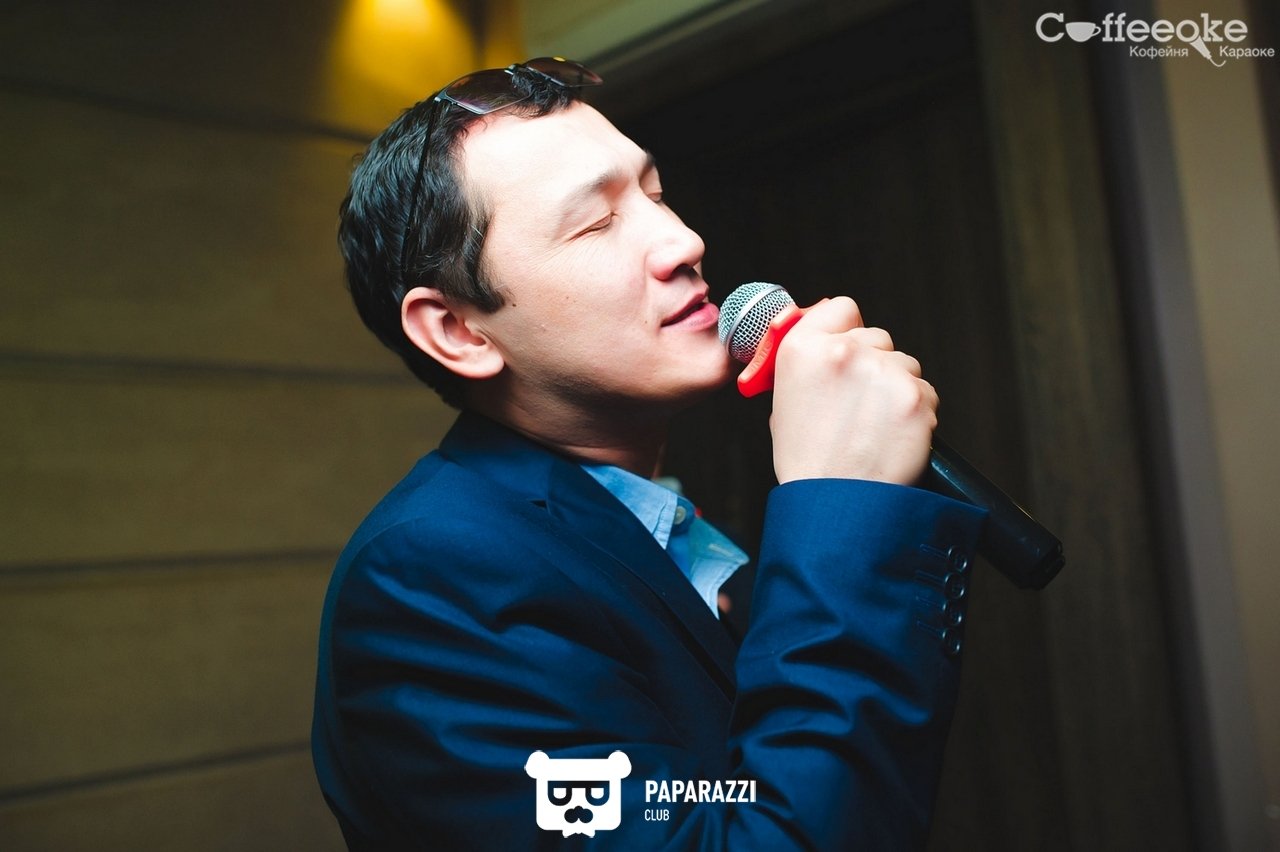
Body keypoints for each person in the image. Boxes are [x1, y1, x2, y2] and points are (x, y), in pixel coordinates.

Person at [312, 57, 984, 851]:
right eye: (596, 222)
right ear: (459, 331)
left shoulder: (646, 513)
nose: (683, 242)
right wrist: (843, 503)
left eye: (656, 195)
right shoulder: (432, 574)